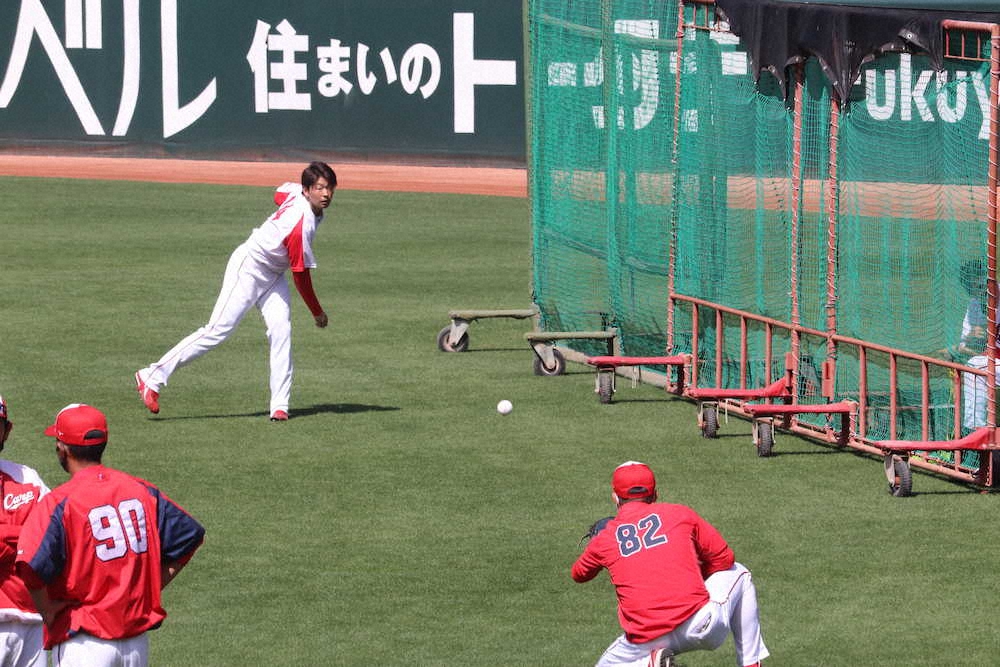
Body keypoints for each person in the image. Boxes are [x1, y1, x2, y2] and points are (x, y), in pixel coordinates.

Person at [134, 161, 337, 421]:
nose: (326, 194)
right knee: (217, 330)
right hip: (249, 267)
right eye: (320, 188)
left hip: (273, 275)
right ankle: (151, 376)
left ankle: (280, 406)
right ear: (307, 190)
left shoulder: (298, 194)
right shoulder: (301, 224)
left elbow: (279, 193)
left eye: (330, 188)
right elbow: (301, 276)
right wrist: (317, 312)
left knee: (281, 331)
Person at [16, 403, 205, 666]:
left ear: (63, 448)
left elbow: (30, 566)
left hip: (84, 644)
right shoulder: (142, 491)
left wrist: (46, 609)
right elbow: (189, 538)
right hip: (136, 646)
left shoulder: (60, 502)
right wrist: (152, 587)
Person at [571, 461, 769, 667]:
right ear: (655, 494)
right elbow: (724, 559)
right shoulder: (680, 513)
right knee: (740, 572)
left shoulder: (606, 539)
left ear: (615, 498)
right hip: (699, 625)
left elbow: (578, 574)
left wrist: (599, 545)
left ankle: (648, 663)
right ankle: (750, 663)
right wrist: (692, 575)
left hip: (644, 642)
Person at [0, 395, 50, 667]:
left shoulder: (27, 477)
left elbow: (51, 540)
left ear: (7, 431)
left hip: (31, 624)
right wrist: (20, 534)